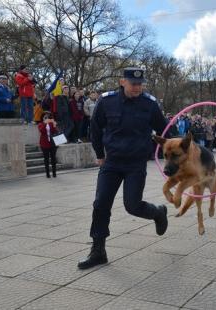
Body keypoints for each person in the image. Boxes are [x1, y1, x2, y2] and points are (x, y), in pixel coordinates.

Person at [78, 67, 169, 270]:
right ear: (122, 82)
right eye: (133, 83)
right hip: (112, 162)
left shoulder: (149, 104)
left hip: (135, 163)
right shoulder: (107, 101)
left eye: (140, 84)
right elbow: (95, 127)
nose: (137, 87)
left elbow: (165, 129)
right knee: (101, 204)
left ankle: (158, 213)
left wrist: (176, 150)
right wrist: (99, 154)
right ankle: (98, 250)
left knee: (132, 205)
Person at [38, 111, 59, 178]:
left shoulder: (51, 123)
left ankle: (54, 173)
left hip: (52, 143)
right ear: (42, 117)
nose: (47, 118)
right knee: (46, 159)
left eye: (48, 117)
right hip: (44, 144)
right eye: (45, 117)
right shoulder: (40, 124)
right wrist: (45, 123)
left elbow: (55, 131)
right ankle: (47, 173)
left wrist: (54, 124)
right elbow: (42, 131)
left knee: (53, 158)